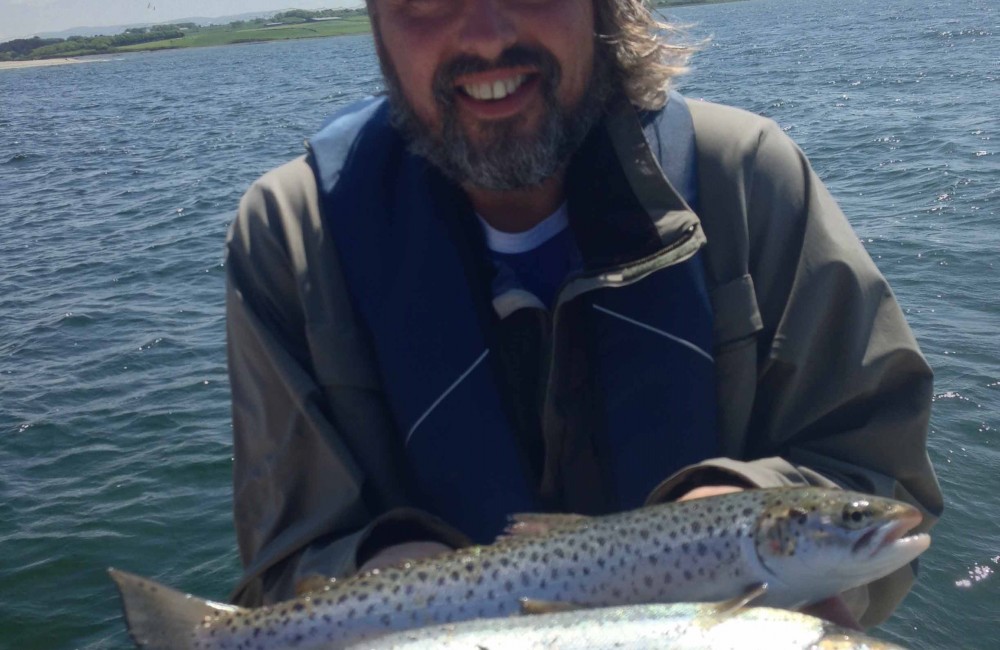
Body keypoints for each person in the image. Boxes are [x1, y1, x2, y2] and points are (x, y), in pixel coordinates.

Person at [224, 0, 942, 628]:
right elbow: (285, 563)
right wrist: (391, 581)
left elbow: (884, 476)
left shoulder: (753, 179)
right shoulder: (289, 238)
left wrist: (729, 515)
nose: (484, 34)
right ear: (376, 20)